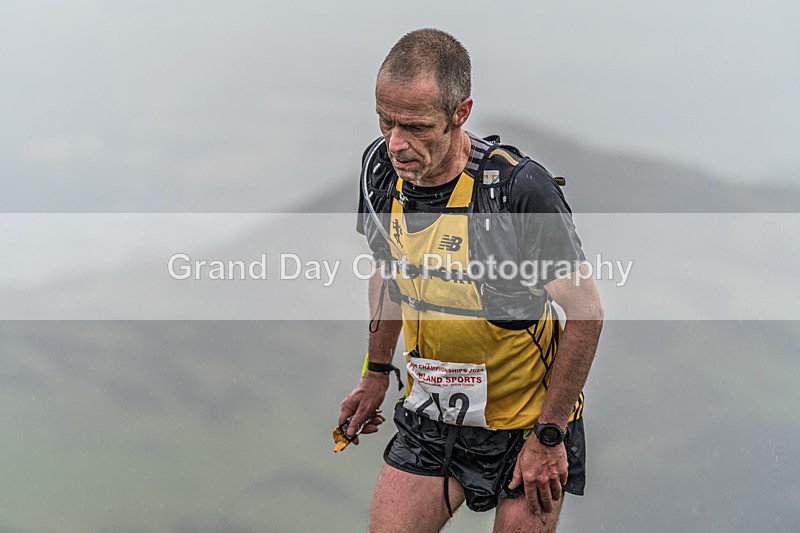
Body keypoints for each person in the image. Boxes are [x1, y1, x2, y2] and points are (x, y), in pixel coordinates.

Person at [339, 28, 604, 533]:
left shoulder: (517, 191)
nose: (395, 143)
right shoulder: (379, 171)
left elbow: (587, 313)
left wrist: (550, 436)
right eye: (385, 120)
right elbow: (387, 274)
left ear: (460, 112)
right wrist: (375, 372)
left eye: (415, 126)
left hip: (528, 425)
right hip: (432, 420)